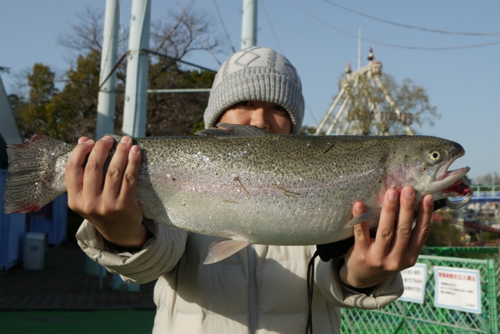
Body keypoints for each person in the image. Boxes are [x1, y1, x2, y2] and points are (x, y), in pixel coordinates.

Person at [67, 46, 433, 333]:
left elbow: (329, 276)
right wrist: (122, 234)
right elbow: (156, 259)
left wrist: (362, 276)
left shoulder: (327, 179)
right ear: (216, 118)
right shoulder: (183, 173)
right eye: (243, 103)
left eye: (277, 107)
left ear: (295, 123)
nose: (259, 119)